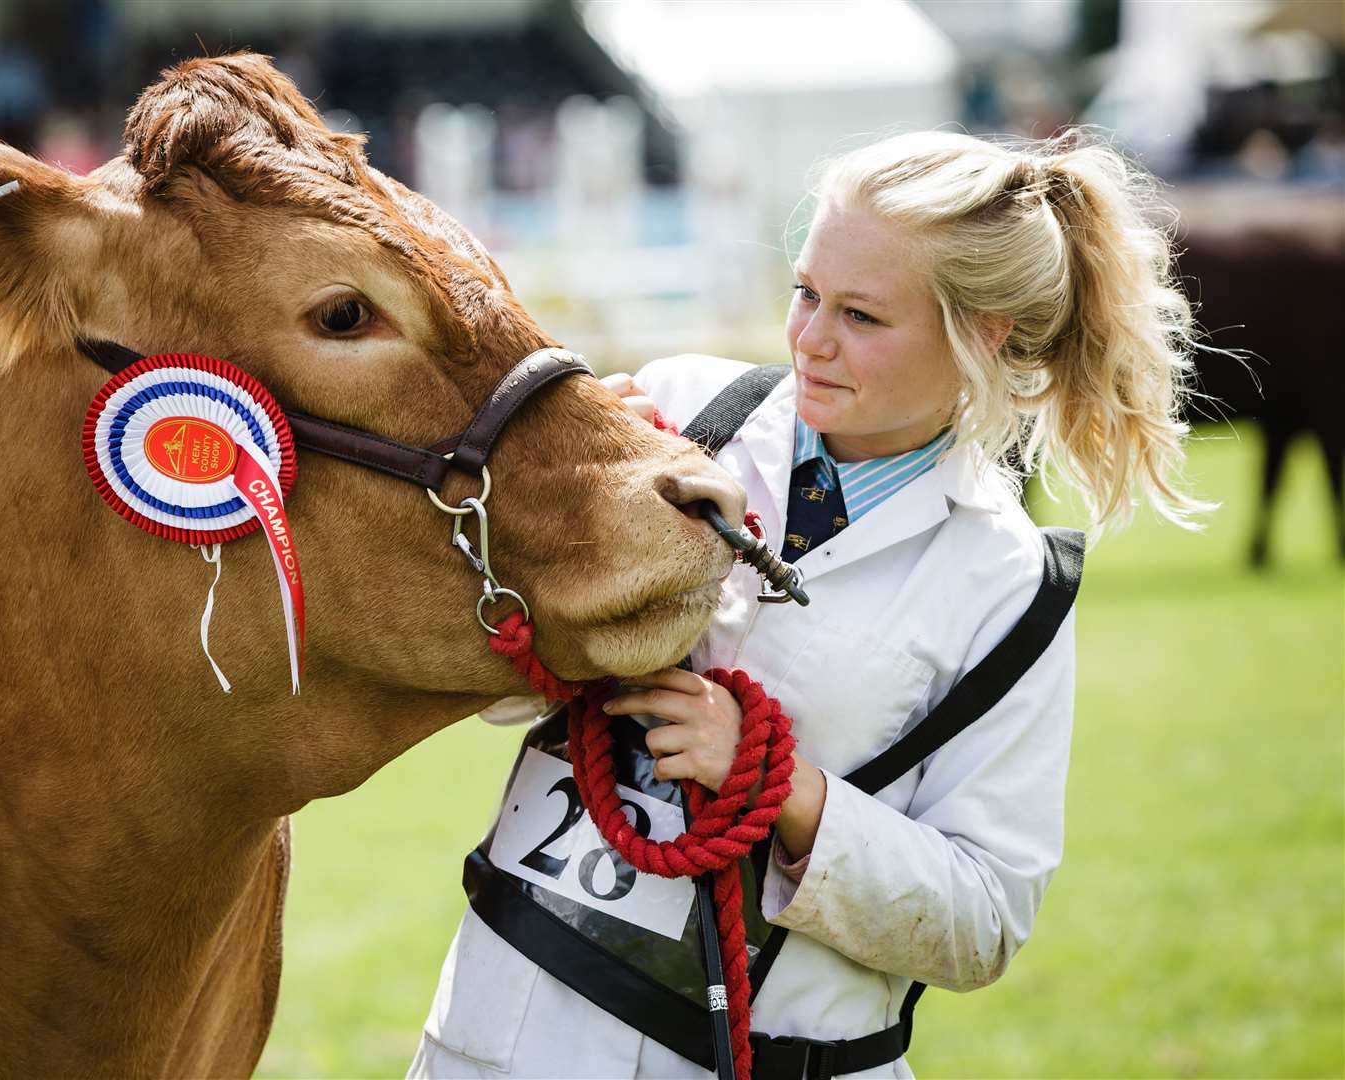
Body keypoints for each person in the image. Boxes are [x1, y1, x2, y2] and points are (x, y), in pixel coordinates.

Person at [410, 129, 1208, 1080]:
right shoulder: (676, 410)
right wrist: (554, 525)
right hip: (506, 1033)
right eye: (805, 293)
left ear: (983, 333)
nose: (811, 338)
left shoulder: (1008, 582)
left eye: (863, 315)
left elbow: (984, 924)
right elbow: (493, 689)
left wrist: (784, 792)